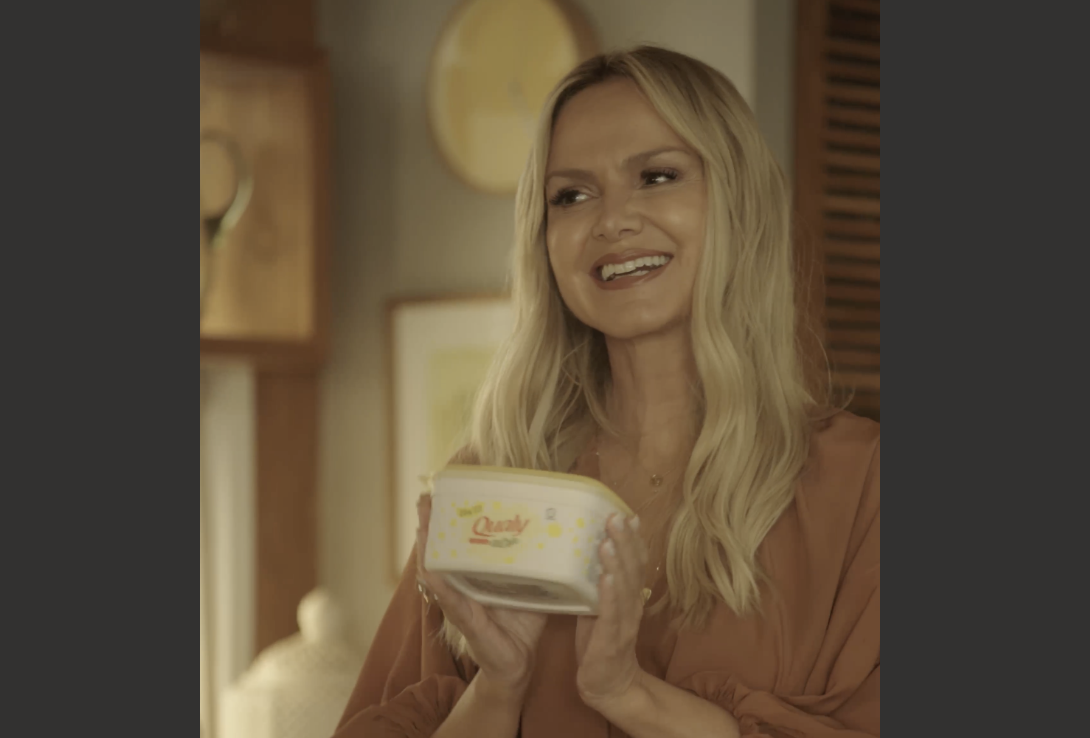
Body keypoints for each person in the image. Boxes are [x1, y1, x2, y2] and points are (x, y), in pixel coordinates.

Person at [334, 46, 880, 738]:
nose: (612, 219)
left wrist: (627, 695)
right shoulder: (491, 485)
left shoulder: (862, 486)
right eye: (571, 195)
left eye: (656, 176)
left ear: (738, 202)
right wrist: (498, 688)